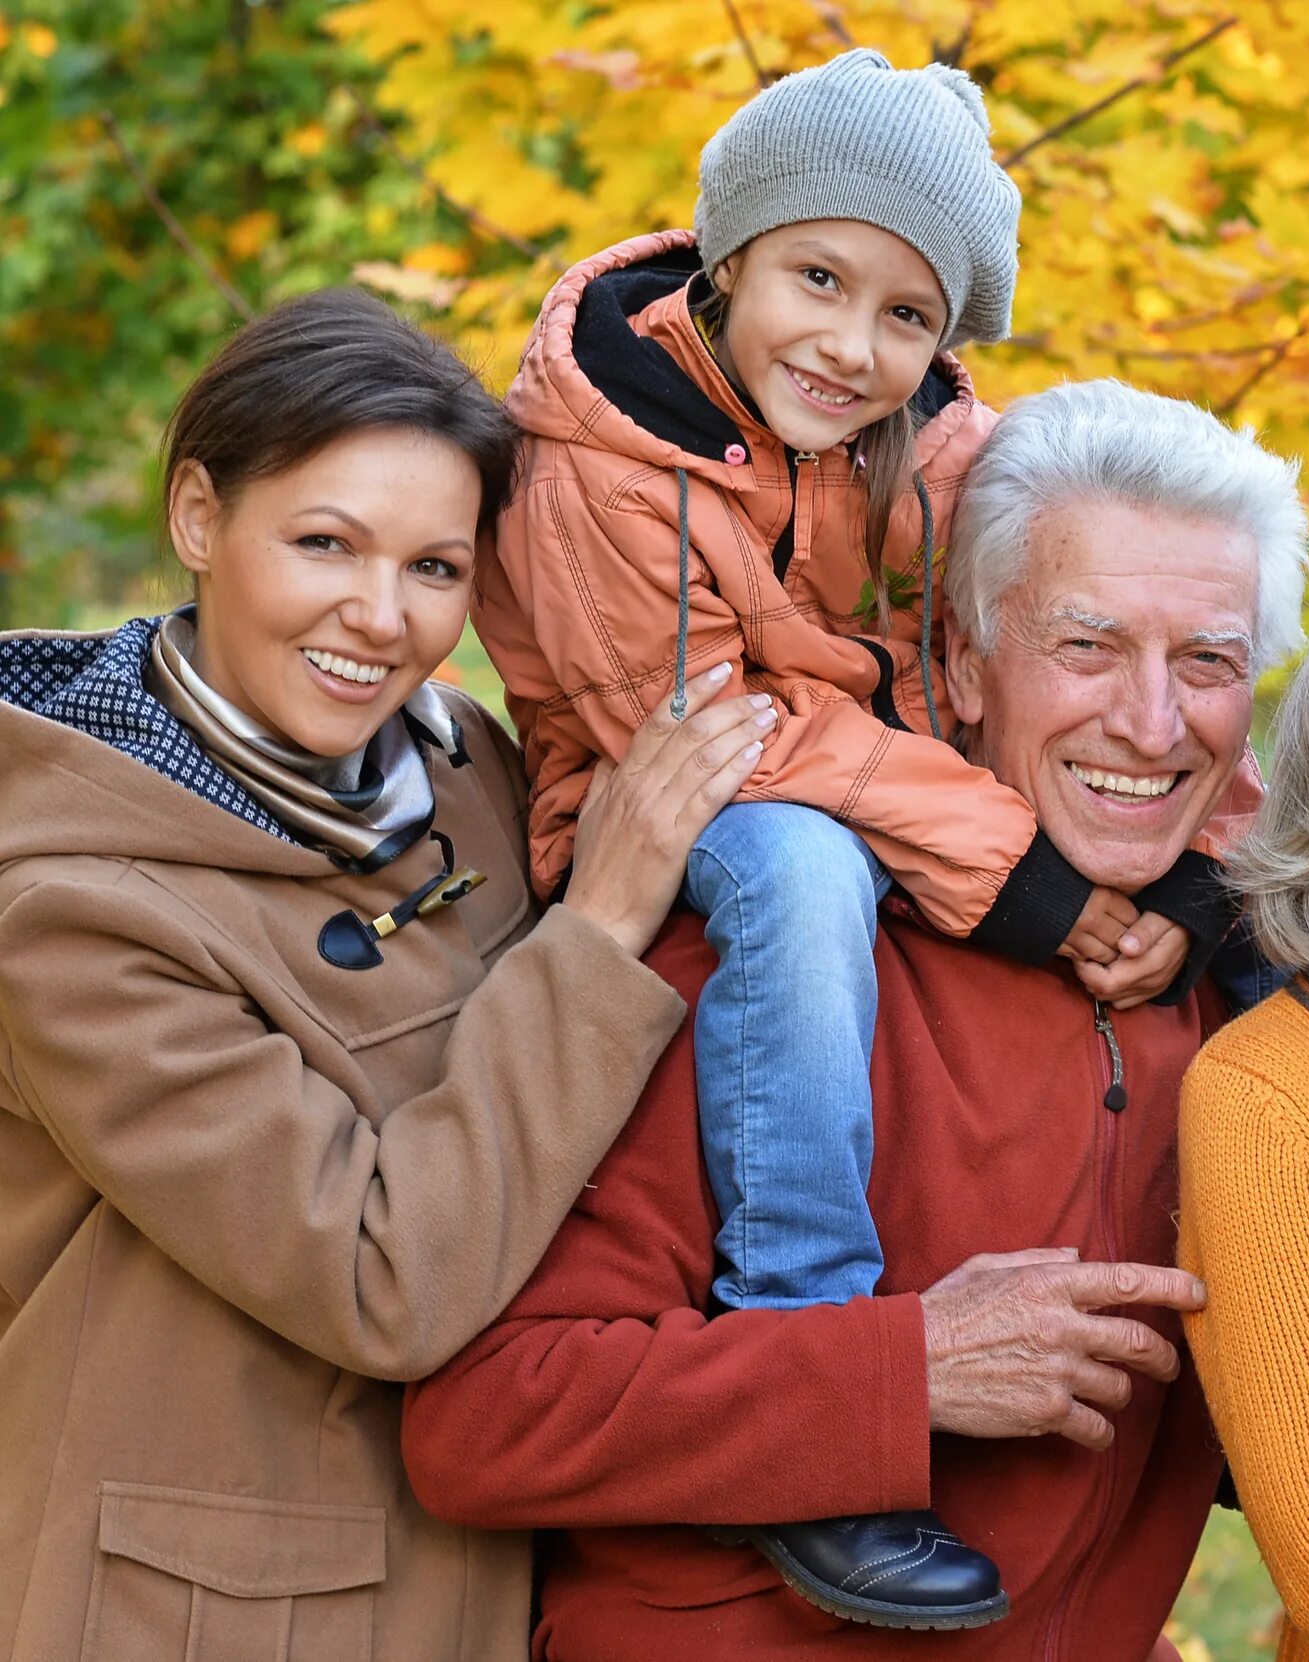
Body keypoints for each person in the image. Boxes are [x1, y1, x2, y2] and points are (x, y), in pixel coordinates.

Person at [470, 51, 1265, 1606]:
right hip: (670, 796)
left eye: (908, 313)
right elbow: (724, 738)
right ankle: (807, 1332)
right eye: (818, 279)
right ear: (728, 260)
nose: (853, 344)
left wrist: (1207, 874)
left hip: (871, 789)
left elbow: (1117, 615)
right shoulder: (602, 465)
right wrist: (1024, 880)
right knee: (796, 866)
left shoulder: (919, 436)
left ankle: (1299, 1361)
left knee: (1264, 921)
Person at [399, 380, 1309, 1654]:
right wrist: (908, 1369)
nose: (1151, 723)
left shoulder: (1240, 1011)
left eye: (1206, 661)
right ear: (964, 670)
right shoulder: (778, 967)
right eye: (1087, 647)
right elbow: (488, 1426)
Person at [0, 289, 762, 1661]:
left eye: (435, 566)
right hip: (190, 1611)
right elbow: (382, 1274)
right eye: (324, 543)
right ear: (195, 516)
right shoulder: (70, 910)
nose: (379, 614)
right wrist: (598, 925)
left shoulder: (461, 763)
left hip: (473, 1561)